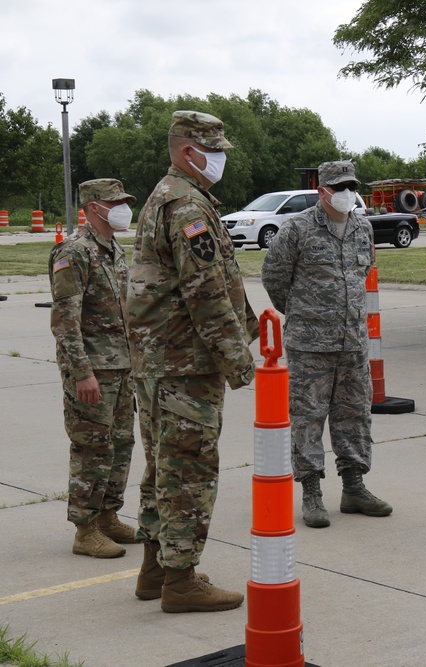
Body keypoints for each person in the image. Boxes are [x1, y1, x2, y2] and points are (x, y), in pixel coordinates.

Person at [127, 110, 258, 612]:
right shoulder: (187, 207)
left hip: (161, 362)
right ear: (188, 151)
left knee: (164, 464)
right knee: (188, 468)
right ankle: (180, 582)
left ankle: (156, 569)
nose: (221, 158)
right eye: (215, 149)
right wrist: (238, 360)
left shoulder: (172, 197)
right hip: (183, 363)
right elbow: (204, 293)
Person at [261, 160, 392, 529]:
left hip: (352, 341)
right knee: (308, 416)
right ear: (322, 191)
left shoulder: (362, 228)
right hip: (310, 343)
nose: (347, 192)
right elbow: (274, 276)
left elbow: (362, 272)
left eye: (352, 185)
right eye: (340, 186)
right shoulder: (297, 228)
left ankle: (354, 486)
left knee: (354, 413)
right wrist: (303, 311)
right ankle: (311, 491)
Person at [49, 179, 139, 559]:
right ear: (91, 207)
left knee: (120, 444)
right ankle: (85, 530)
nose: (121, 207)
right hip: (92, 370)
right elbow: (65, 320)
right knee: (92, 448)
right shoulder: (74, 252)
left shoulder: (114, 250)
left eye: (123, 201)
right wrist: (81, 373)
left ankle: (107, 516)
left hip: (121, 366)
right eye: (113, 201)